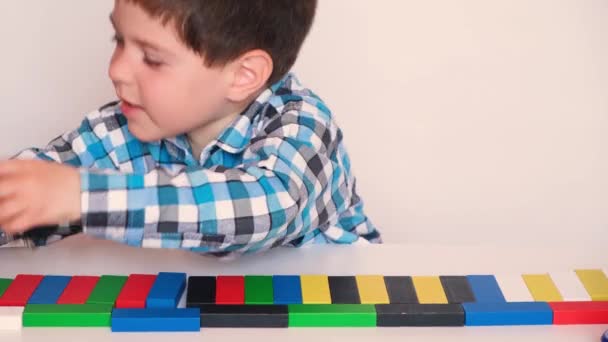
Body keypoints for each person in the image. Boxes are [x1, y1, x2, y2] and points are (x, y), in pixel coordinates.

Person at [0, 0, 380, 256]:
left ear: (243, 75)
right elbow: (38, 185)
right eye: (119, 40)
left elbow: (267, 205)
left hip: (343, 314)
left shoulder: (303, 125)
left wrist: (84, 196)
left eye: (151, 58)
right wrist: (26, 197)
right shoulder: (136, 123)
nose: (115, 69)